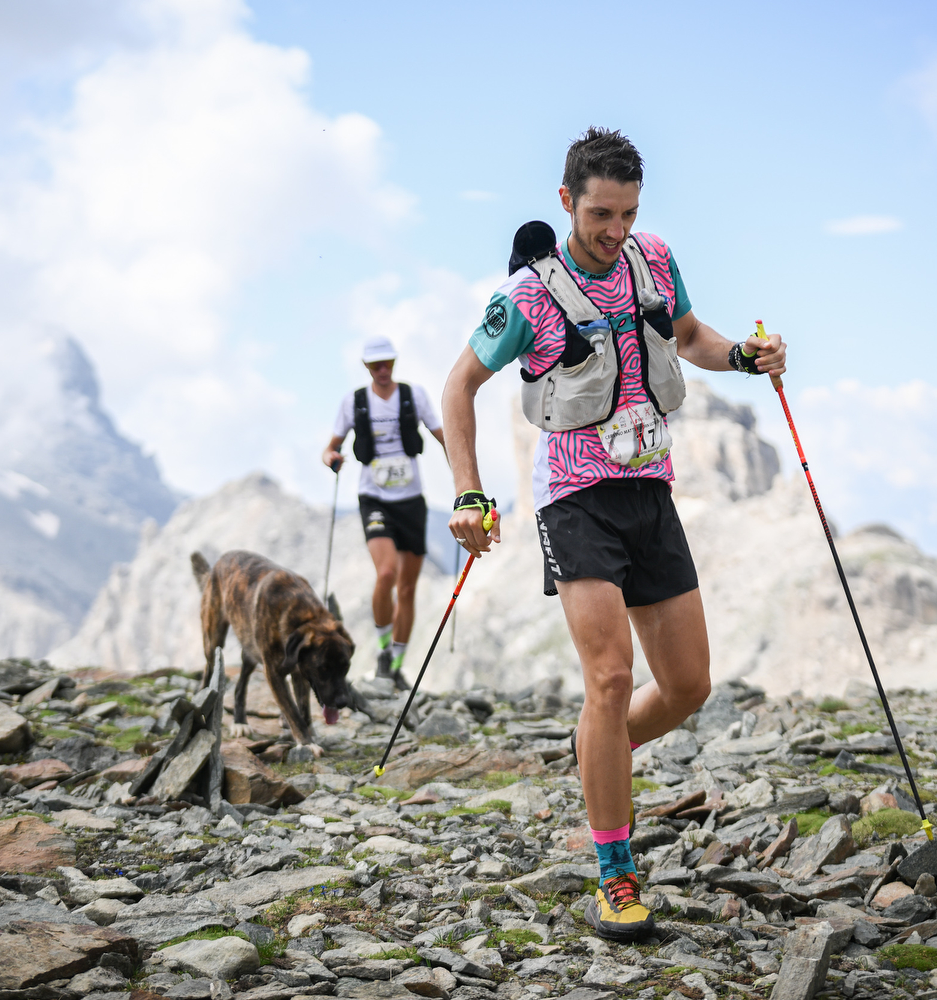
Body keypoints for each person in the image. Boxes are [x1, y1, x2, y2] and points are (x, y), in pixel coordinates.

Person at [442, 128, 787, 941]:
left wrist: (743, 354)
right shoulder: (528, 297)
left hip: (650, 494)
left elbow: (691, 337)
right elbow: (458, 388)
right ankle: (616, 872)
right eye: (601, 213)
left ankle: (597, 751)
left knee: (689, 686)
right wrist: (469, 492)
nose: (616, 230)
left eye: (628, 213)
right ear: (566, 201)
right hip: (577, 502)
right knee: (608, 678)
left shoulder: (655, 258)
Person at [324, 336, 447, 690]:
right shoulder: (354, 402)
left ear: (393, 363)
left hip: (411, 500)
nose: (382, 369)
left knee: (407, 588)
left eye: (387, 363)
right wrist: (332, 458)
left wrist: (462, 467)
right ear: (366, 367)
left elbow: (443, 434)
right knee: (387, 573)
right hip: (374, 497)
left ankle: (394, 664)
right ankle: (381, 647)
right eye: (374, 364)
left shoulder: (414, 396)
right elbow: (329, 448)